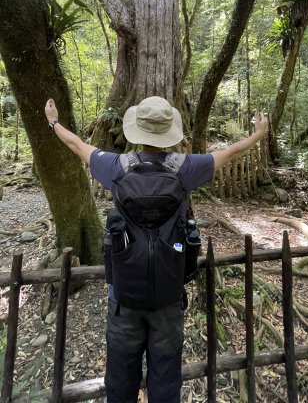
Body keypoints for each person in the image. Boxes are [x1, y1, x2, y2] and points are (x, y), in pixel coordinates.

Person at [45, 96, 268, 403]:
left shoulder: (116, 166)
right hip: (168, 294)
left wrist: (53, 122)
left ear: (136, 132)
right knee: (165, 378)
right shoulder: (186, 168)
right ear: (169, 134)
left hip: (123, 295)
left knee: (121, 379)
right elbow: (228, 153)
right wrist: (257, 135)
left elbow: (75, 145)